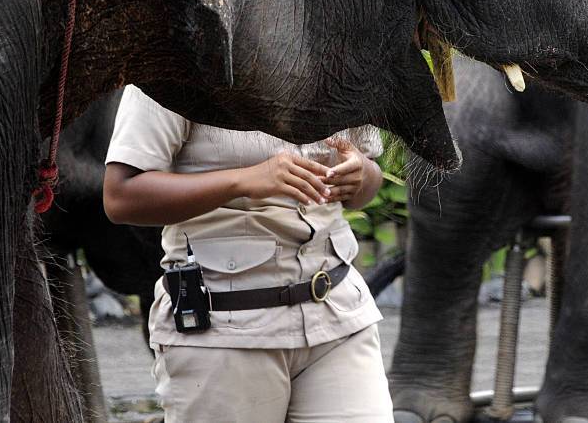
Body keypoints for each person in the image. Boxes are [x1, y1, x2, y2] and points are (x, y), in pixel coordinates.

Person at [103, 86, 392, 422]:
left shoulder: (344, 56)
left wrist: (362, 176)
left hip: (338, 319)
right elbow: (120, 196)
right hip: (223, 332)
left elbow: (367, 179)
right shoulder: (174, 62)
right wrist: (243, 181)